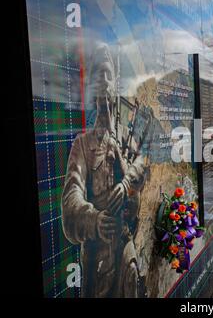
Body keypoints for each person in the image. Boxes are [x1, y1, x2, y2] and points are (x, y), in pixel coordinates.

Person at [61, 43, 148, 298]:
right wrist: (94, 219)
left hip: (125, 244)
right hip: (98, 259)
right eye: (99, 75)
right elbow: (71, 199)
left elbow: (142, 163)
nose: (104, 82)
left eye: (109, 75)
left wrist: (125, 184)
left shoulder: (123, 136)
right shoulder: (83, 144)